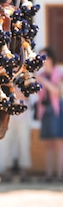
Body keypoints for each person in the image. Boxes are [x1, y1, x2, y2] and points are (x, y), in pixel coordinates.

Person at [0, 87, 32, 182]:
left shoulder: (25, 75)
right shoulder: (6, 76)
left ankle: (23, 170)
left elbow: (26, 96)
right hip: (8, 116)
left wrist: (13, 93)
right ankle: (6, 170)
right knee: (5, 142)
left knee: (24, 142)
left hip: (23, 115)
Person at [36, 47, 63, 182]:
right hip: (45, 111)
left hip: (56, 110)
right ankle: (49, 174)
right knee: (48, 144)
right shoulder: (41, 75)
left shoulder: (58, 73)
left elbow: (56, 91)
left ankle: (59, 175)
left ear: (50, 59)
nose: (42, 60)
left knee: (58, 143)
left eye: (43, 57)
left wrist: (42, 81)